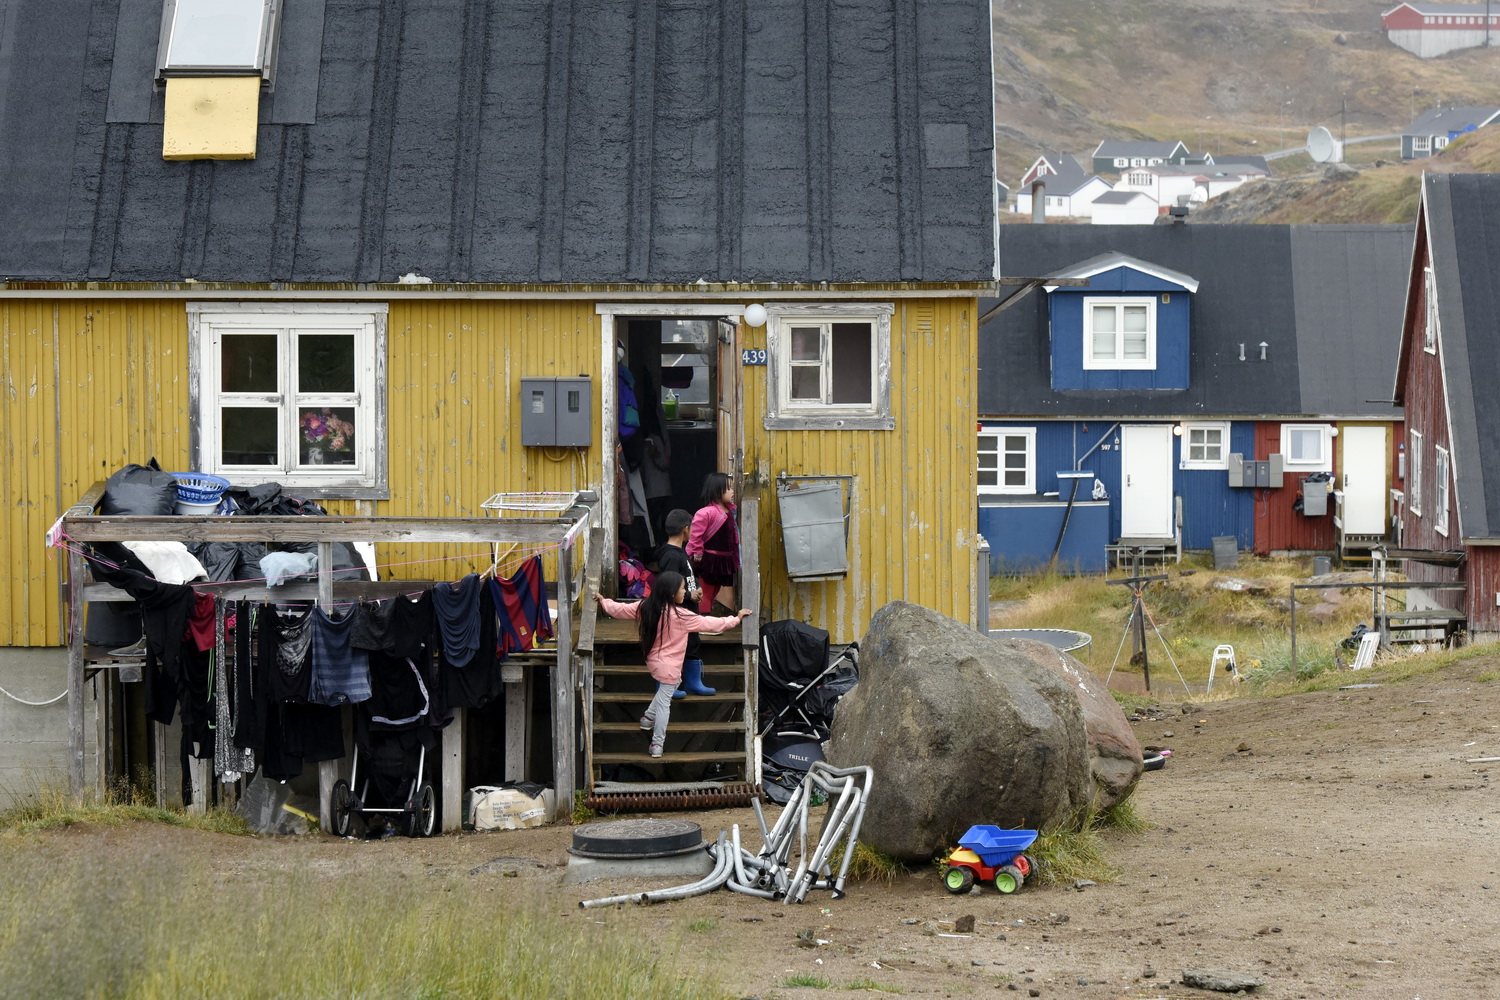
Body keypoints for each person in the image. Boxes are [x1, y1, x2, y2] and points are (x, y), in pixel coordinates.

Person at [595, 571, 750, 758]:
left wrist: (604, 601)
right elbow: (711, 623)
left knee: (669, 689)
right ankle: (657, 744)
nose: (684, 592)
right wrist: (737, 618)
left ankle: (646, 718)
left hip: (654, 661)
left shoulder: (646, 606)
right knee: (664, 703)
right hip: (670, 666)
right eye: (682, 589)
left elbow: (617, 610)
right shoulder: (682, 615)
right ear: (671, 594)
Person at [655, 509, 714, 699]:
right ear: (686, 530)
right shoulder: (671, 556)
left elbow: (688, 577)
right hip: (677, 611)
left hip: (688, 610)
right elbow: (670, 586)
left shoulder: (680, 553)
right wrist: (689, 596)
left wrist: (695, 590)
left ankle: (692, 682)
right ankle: (666, 684)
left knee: (692, 643)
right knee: (673, 647)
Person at [687, 472, 740, 614]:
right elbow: (696, 536)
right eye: (729, 488)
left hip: (723, 559)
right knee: (706, 592)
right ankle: (703, 621)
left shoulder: (729, 511)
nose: (733, 491)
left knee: (714, 590)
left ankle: (706, 619)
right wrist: (697, 552)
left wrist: (735, 557)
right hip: (709, 560)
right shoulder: (706, 513)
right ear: (717, 491)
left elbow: (734, 537)